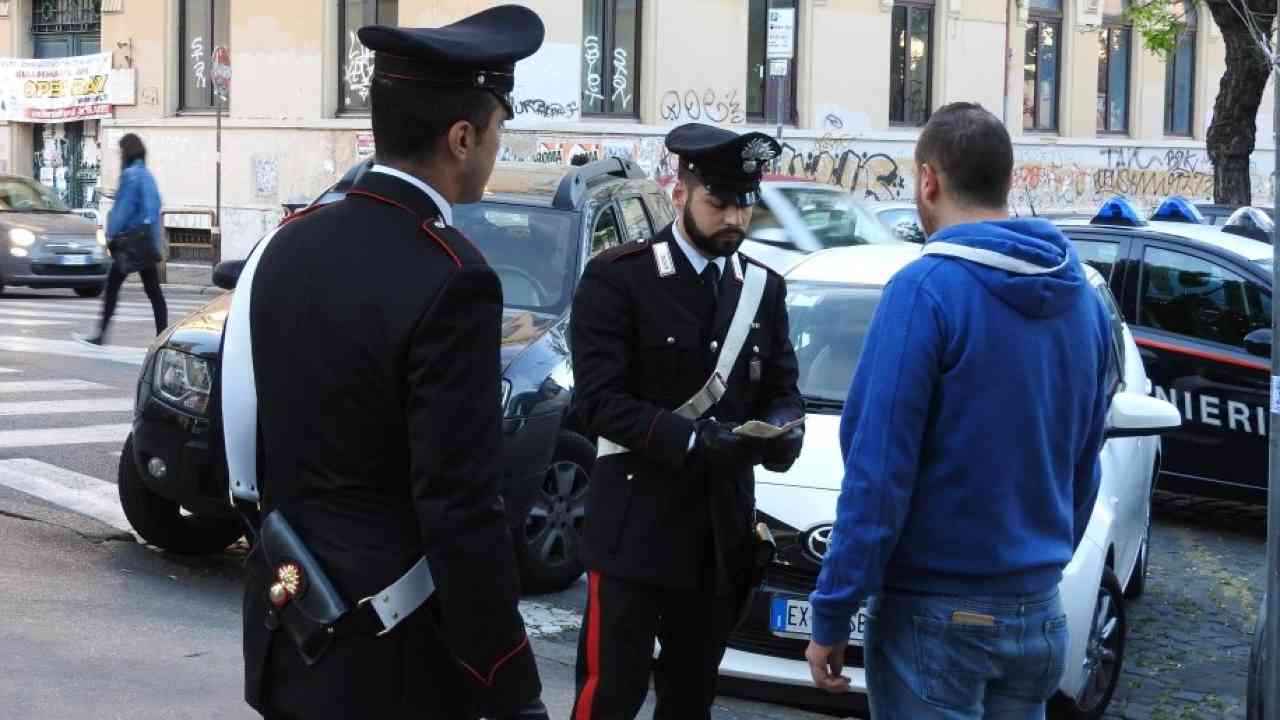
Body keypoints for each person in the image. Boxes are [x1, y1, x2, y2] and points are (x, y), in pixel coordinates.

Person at [219, 6, 549, 719]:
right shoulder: (454, 275)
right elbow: (460, 508)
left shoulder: (289, 242)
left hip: (294, 626)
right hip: (393, 658)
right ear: (463, 138)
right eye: (498, 131)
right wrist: (508, 680)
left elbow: (244, 443)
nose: (498, 147)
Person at [804, 102, 1111, 719]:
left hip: (936, 614)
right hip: (1038, 613)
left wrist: (833, 608)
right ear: (1008, 179)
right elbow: (1087, 460)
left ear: (928, 179)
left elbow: (878, 474)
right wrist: (1036, 563)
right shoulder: (1083, 301)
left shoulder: (924, 292)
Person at [569, 122, 805, 719]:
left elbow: (781, 388)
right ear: (682, 194)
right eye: (718, 203)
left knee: (690, 701)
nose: (733, 218)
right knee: (609, 697)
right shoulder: (619, 278)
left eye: (744, 205)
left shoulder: (762, 290)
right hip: (633, 531)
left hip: (716, 539)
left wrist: (785, 430)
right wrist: (692, 441)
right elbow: (597, 401)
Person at [86, 133, 167, 344]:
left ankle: (101, 335)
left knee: (112, 287)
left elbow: (123, 210)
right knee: (154, 292)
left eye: (121, 151)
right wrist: (155, 242)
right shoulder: (147, 175)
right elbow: (155, 207)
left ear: (126, 152)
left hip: (130, 242)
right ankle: (162, 335)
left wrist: (111, 234)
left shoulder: (130, 176)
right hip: (145, 241)